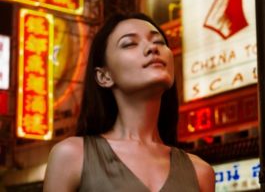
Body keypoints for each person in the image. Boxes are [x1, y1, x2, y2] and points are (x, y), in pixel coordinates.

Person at [43, 12, 215, 192]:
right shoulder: (72, 156)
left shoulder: (200, 172)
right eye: (130, 43)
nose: (152, 48)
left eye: (159, 42)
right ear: (104, 76)